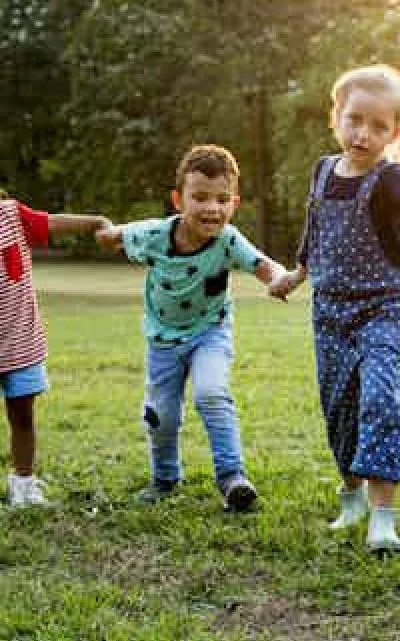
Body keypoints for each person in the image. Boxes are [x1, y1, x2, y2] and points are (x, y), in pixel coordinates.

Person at [269, 65, 400, 553]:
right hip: (329, 313)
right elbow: (315, 231)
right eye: (355, 120)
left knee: (381, 397)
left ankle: (383, 518)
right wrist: (296, 275)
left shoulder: (390, 177)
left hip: (383, 308)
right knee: (339, 407)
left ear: (395, 133)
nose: (363, 134)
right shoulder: (323, 170)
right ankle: (352, 500)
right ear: (337, 118)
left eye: (378, 126)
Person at [97, 145, 289, 511]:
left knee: (211, 393)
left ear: (234, 204)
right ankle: (165, 479)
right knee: (162, 416)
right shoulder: (154, 235)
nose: (211, 208)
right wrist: (106, 235)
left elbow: (263, 264)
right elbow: (117, 234)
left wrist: (279, 279)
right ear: (178, 200)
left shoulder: (229, 240)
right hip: (162, 341)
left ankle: (232, 478)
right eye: (200, 197)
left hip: (210, 333)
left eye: (221, 199)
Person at [1, 197, 110, 507]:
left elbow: (52, 222)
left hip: (20, 343)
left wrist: (96, 221)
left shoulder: (10, 215)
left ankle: (23, 484)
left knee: (23, 416)